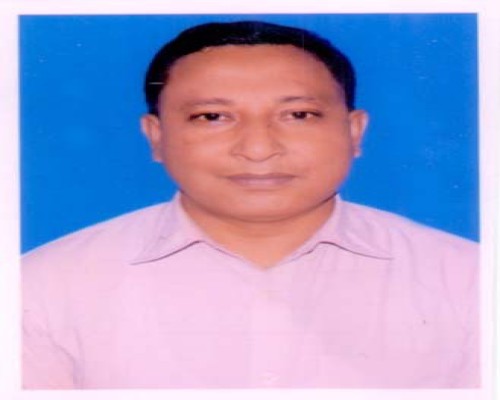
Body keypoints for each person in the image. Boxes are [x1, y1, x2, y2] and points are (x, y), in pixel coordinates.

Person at [22, 20, 479, 389]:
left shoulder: (470, 280)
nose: (258, 149)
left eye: (298, 115)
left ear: (354, 131)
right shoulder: (40, 287)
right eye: (212, 117)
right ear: (156, 137)